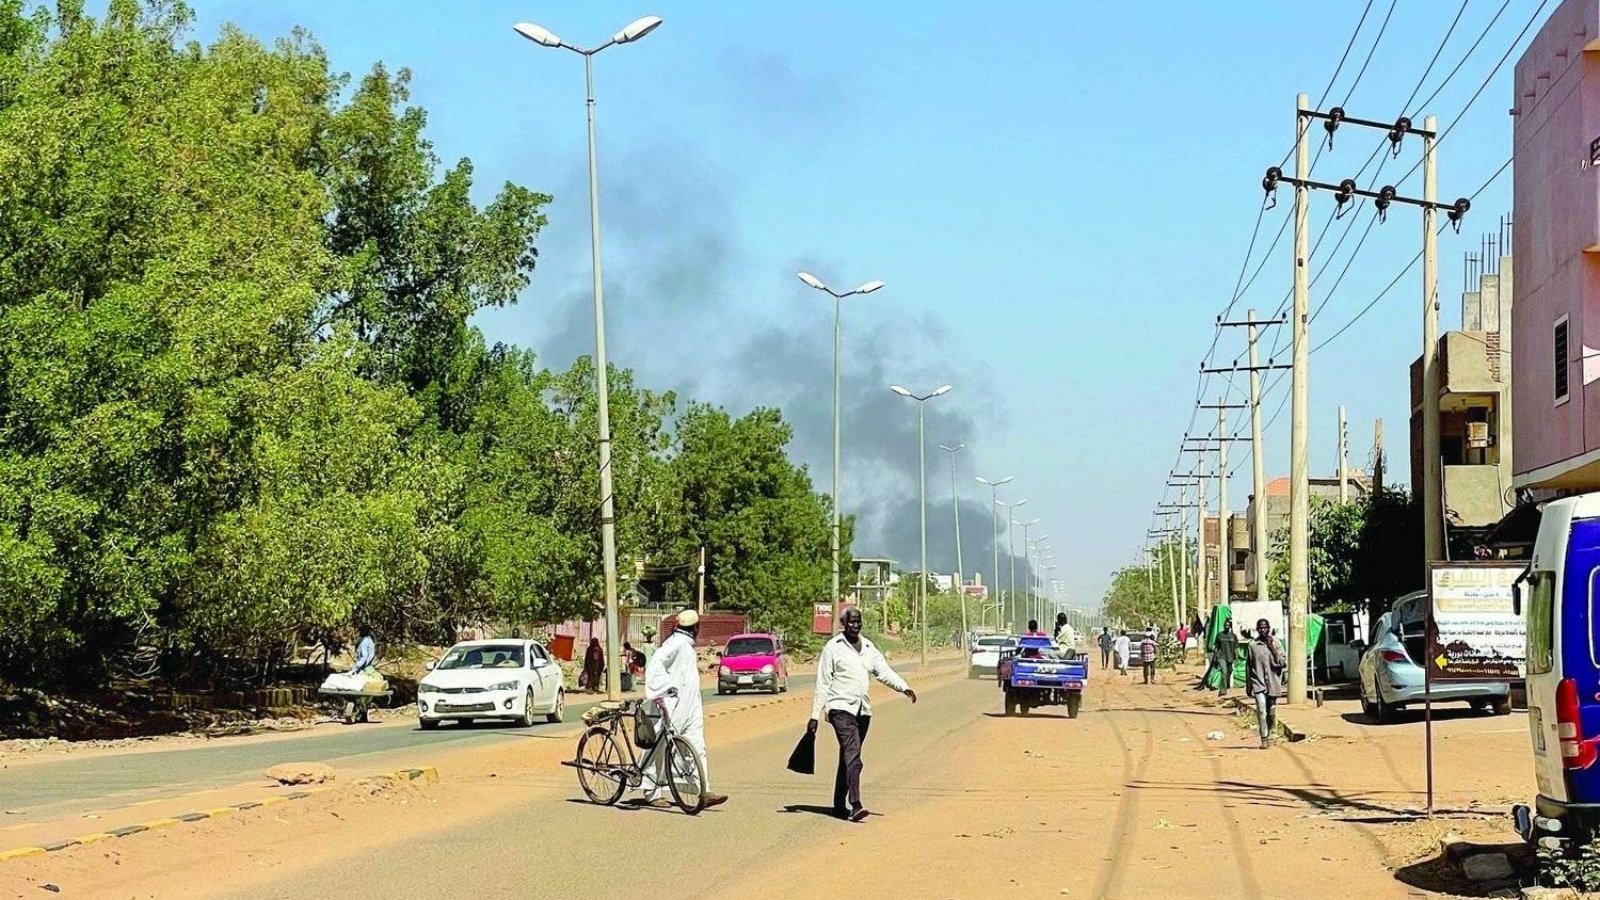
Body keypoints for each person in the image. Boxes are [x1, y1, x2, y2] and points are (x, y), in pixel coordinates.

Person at [808, 607, 916, 822]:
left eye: (858, 622)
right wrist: (814, 715)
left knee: (847, 756)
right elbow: (823, 683)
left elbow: (883, 671)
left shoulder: (868, 647)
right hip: (840, 708)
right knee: (853, 753)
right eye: (851, 623)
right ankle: (855, 803)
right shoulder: (833, 648)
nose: (855, 626)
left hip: (862, 710)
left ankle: (838, 804)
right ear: (843, 624)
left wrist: (903, 687)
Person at [641, 610, 727, 808]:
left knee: (696, 747)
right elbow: (655, 666)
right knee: (660, 748)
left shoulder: (685, 645)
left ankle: (702, 790)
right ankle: (652, 792)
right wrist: (665, 689)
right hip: (673, 706)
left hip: (690, 707)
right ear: (696, 628)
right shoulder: (675, 644)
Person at [1246, 619, 1287, 749]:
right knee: (1261, 711)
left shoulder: (1277, 643)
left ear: (1269, 628)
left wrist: (1271, 648)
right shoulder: (1252, 645)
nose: (1263, 630)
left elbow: (1283, 663)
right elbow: (1249, 666)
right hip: (1258, 683)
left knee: (1271, 712)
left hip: (1273, 683)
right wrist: (1248, 685)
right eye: (1260, 628)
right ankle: (1264, 738)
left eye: (1265, 627)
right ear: (1257, 629)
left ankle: (1270, 732)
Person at [1214, 620, 1240, 697]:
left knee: (1229, 671)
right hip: (1221, 656)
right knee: (1224, 672)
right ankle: (1222, 690)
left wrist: (1237, 658)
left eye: (1228, 625)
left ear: (1230, 626)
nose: (1227, 626)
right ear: (1223, 626)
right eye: (1225, 625)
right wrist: (1215, 656)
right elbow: (1216, 646)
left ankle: (1226, 685)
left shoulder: (1233, 636)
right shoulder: (1219, 635)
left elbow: (1236, 648)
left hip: (1230, 656)